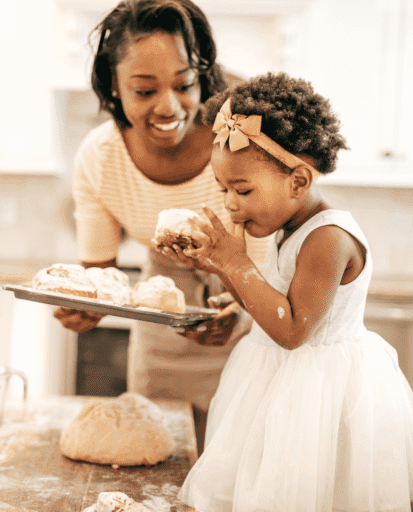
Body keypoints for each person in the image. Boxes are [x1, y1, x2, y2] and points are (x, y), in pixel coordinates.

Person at [156, 72, 413, 511]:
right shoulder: (288, 226)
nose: (230, 203)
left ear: (299, 181)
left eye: (243, 189)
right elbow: (276, 299)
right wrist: (219, 269)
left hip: (320, 397)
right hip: (276, 385)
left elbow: (293, 330)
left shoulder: (327, 238)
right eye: (223, 190)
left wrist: (234, 261)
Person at [52, 0, 271, 451]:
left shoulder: (241, 142)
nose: (168, 106)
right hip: (162, 325)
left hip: (259, 318)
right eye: (145, 90)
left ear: (202, 76)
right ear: (115, 86)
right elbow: (101, 277)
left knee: (238, 469)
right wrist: (84, 308)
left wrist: (243, 311)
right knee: (161, 460)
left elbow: (277, 255)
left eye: (184, 84)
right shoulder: (101, 158)